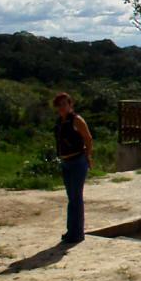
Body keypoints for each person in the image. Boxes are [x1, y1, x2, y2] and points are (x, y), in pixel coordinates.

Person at [53, 92, 93, 243]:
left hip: (77, 161)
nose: (62, 107)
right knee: (71, 198)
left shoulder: (76, 120)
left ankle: (77, 233)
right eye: (59, 105)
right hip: (66, 162)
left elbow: (88, 139)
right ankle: (71, 231)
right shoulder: (60, 122)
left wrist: (88, 156)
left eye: (65, 104)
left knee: (76, 197)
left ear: (70, 105)